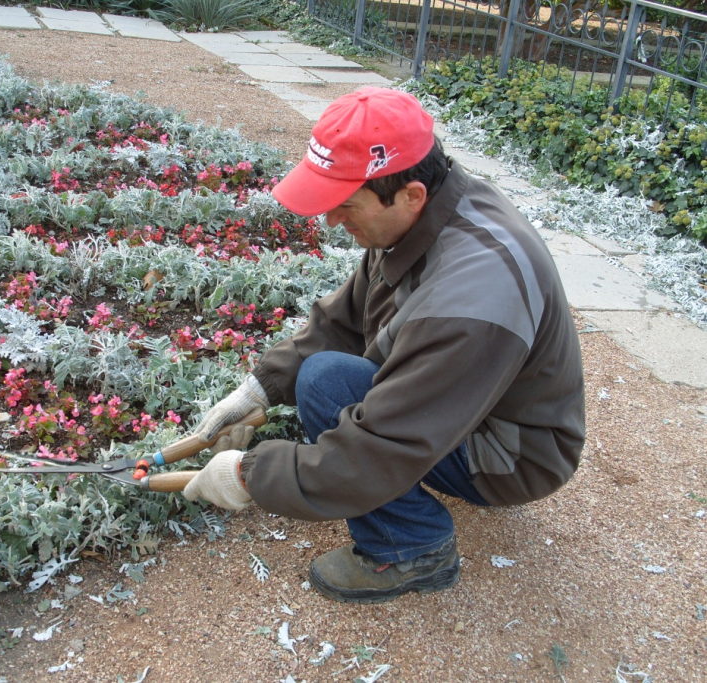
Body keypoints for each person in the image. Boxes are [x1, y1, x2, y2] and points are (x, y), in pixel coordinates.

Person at [183, 87, 585, 604]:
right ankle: (409, 528)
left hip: (513, 455)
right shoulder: (428, 213)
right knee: (321, 374)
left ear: (410, 195)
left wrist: (249, 476)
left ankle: (412, 548)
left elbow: (380, 450)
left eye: (344, 205)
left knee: (328, 384)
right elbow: (347, 319)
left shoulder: (472, 298)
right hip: (474, 407)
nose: (330, 220)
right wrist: (260, 388)